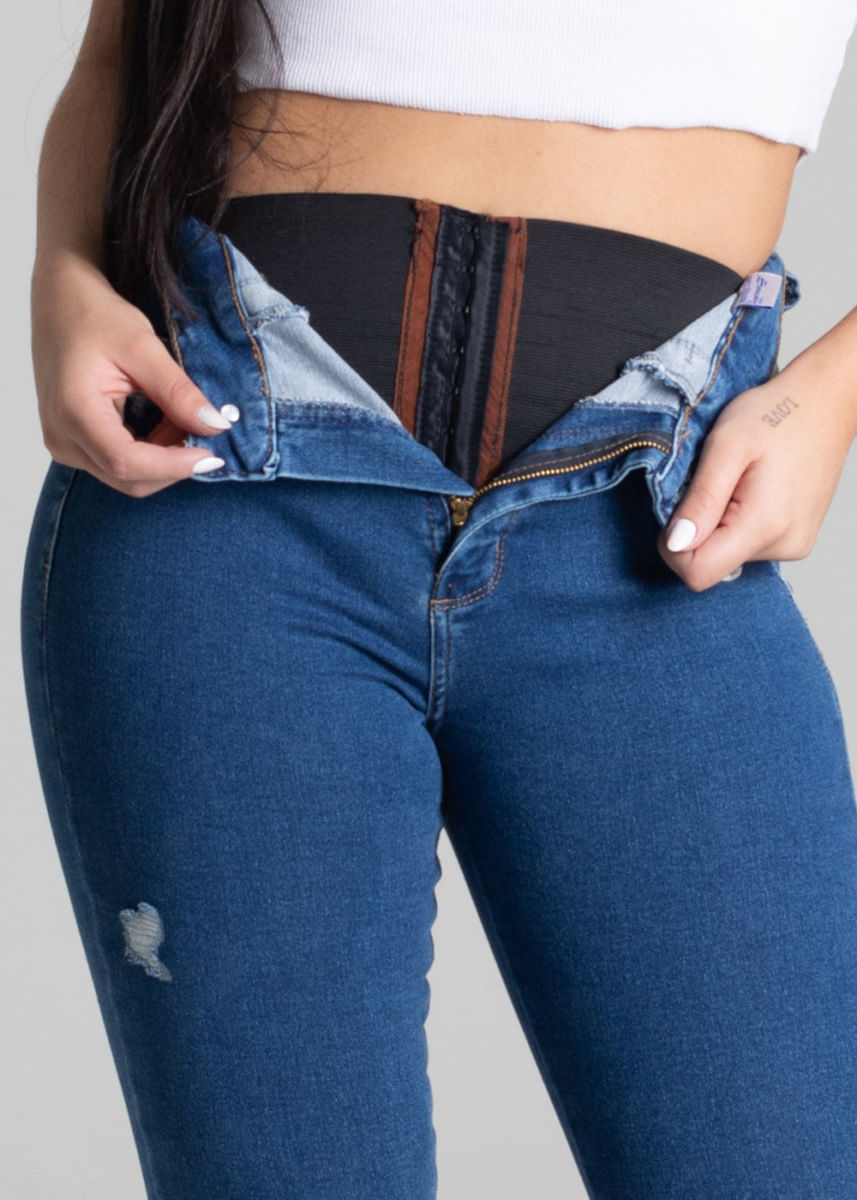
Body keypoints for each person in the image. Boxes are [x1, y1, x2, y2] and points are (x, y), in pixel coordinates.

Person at [19, 0, 857, 1196]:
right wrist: (63, 271)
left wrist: (834, 392)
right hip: (229, 488)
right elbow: (121, 44)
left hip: (654, 524)